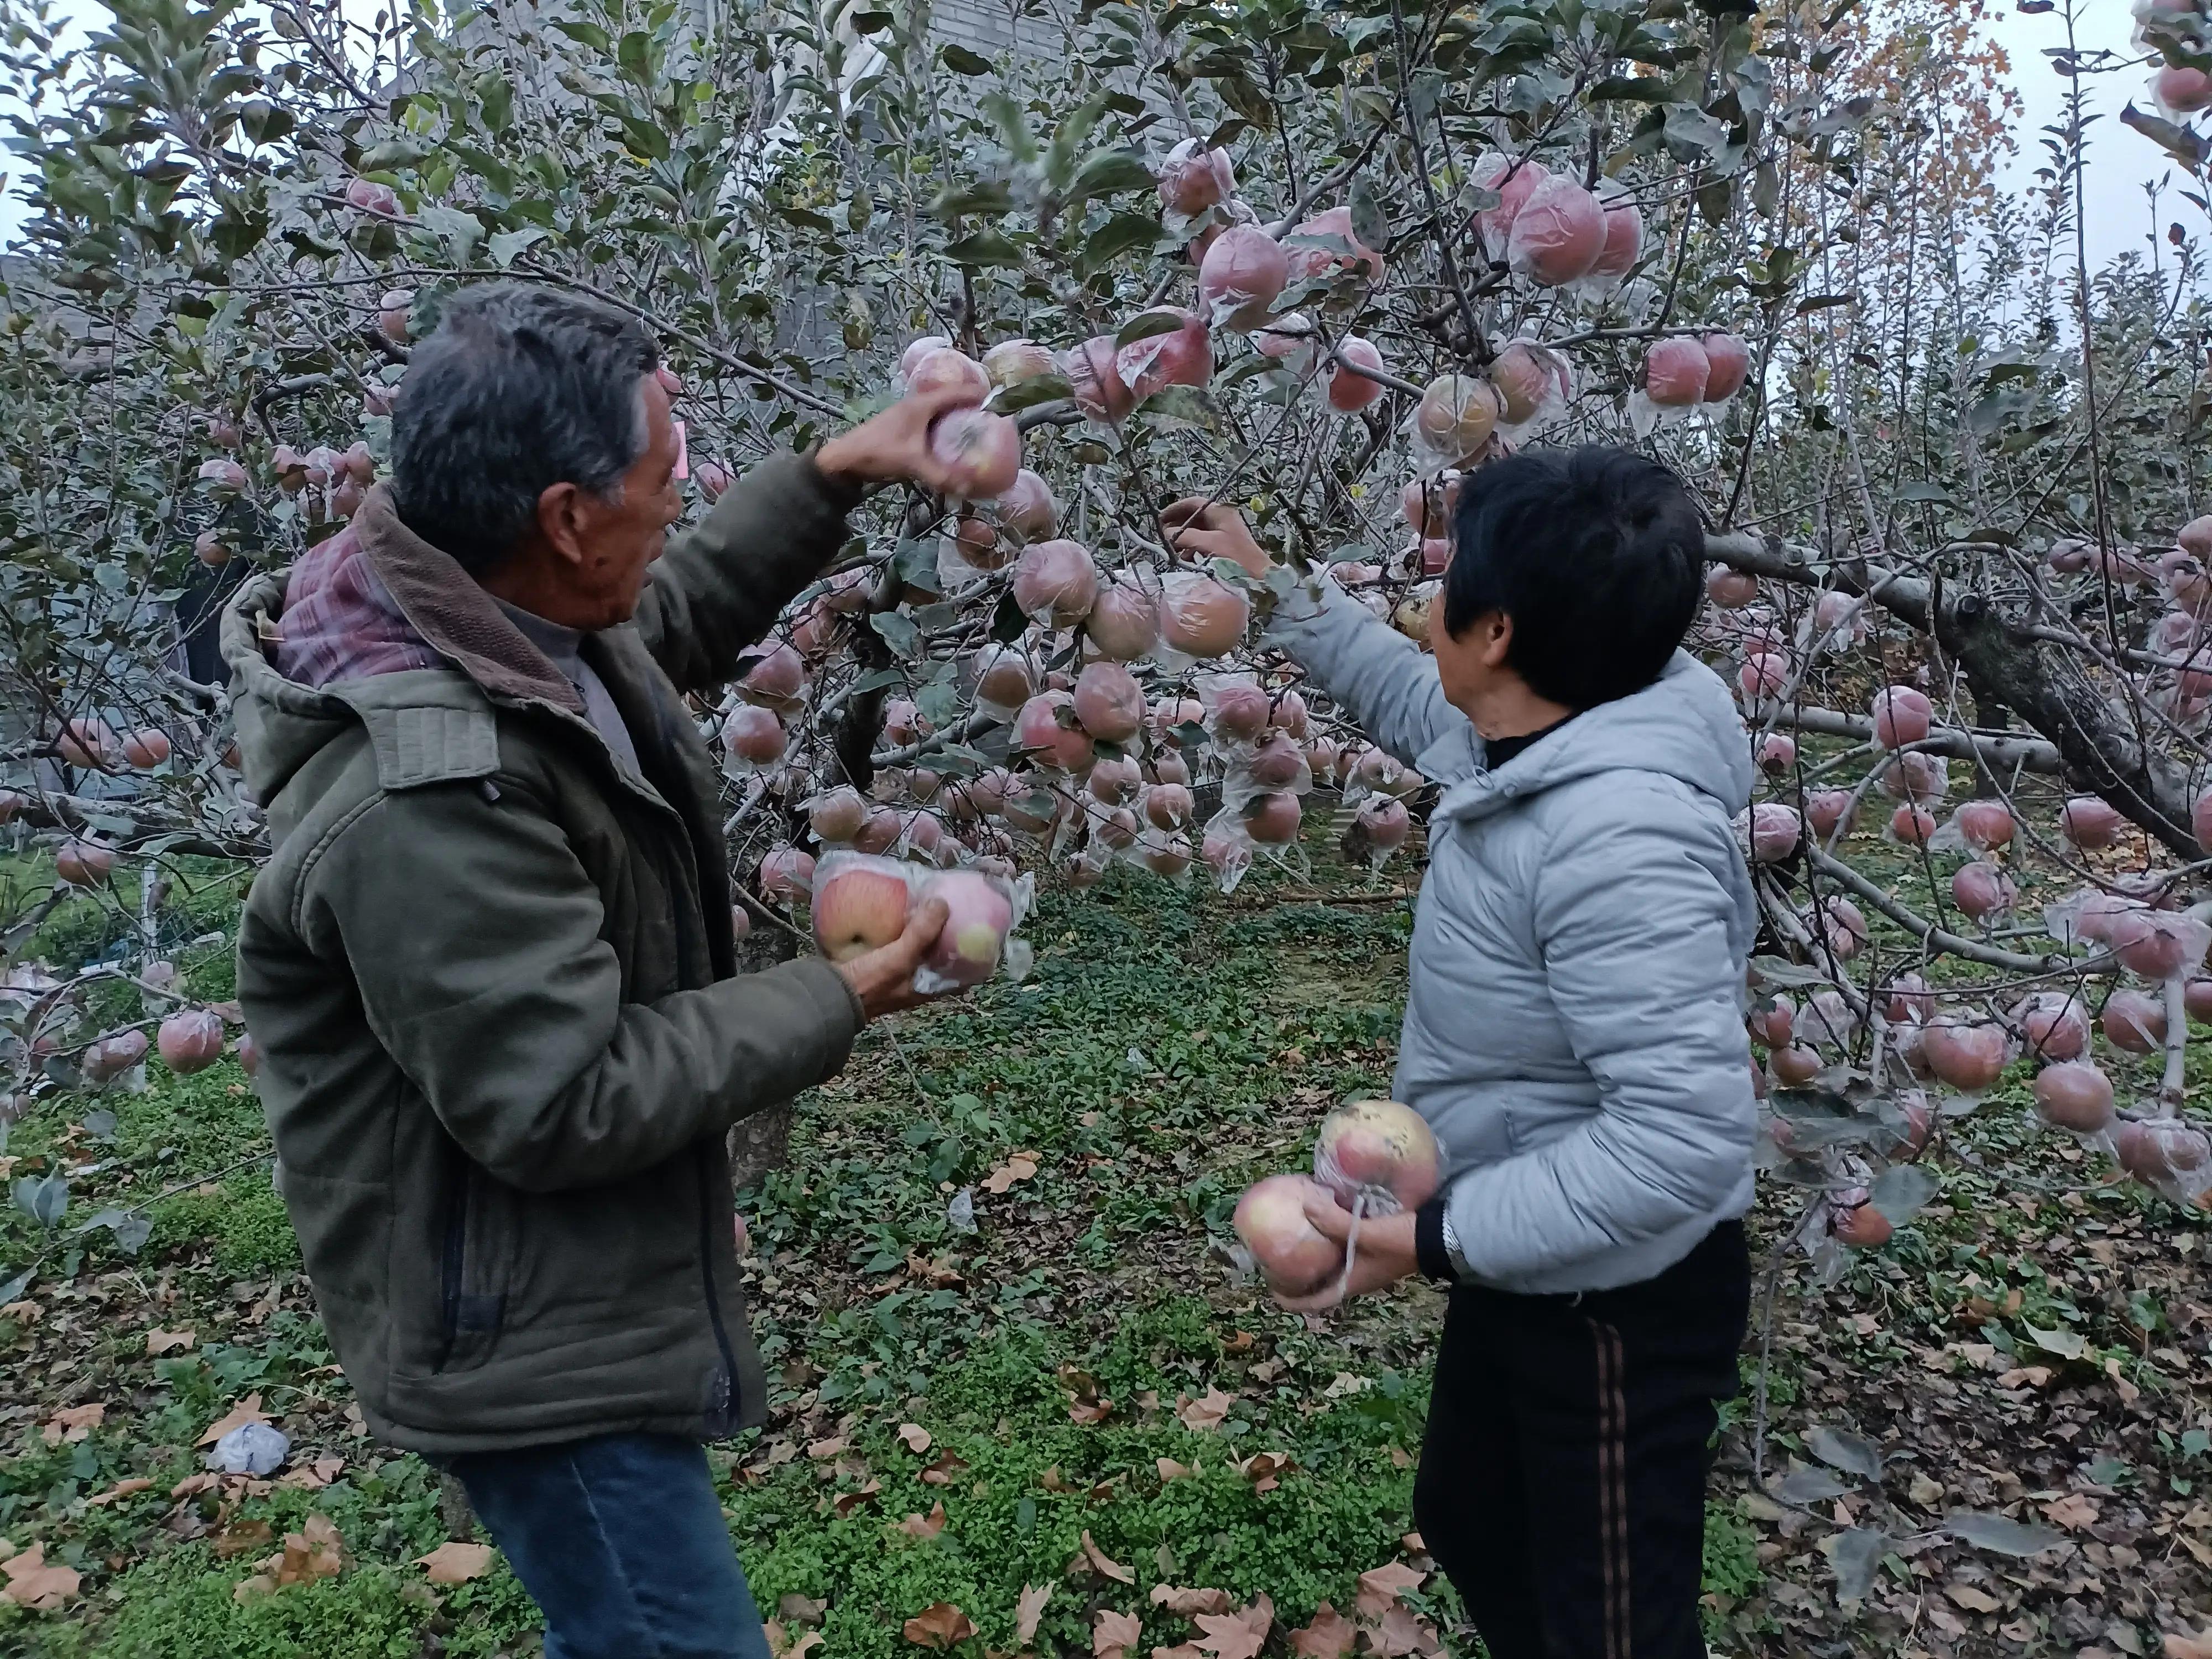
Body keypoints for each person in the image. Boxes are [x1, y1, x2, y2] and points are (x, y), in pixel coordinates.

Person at [222, 284, 976, 1659]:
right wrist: (838, 994)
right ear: (567, 517)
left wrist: (829, 477)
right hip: (518, 1334)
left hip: (550, 1277)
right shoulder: (431, 798)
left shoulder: (468, 599)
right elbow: (559, 1096)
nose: (678, 495)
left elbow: (653, 630)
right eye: (664, 474)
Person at [1168, 446, 1757, 1659]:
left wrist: (1417, 1240)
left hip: (1614, 1301)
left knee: (1611, 1627)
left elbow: (1680, 1143)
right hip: (1527, 1246)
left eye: (1445, 584)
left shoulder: (1615, 836)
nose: (1420, 602)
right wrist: (1270, 589)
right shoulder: (1543, 725)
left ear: (1493, 632)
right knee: (1471, 1513)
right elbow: (1406, 691)